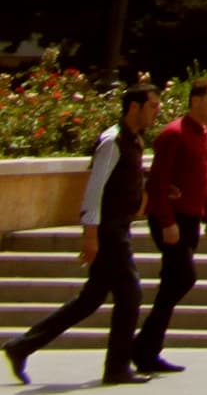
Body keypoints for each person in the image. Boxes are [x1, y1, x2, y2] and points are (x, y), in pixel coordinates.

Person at [7, 83, 155, 387]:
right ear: (134, 107)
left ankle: (21, 346)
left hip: (119, 225)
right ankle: (117, 367)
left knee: (90, 299)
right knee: (130, 293)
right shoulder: (111, 141)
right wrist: (90, 235)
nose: (157, 112)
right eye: (152, 106)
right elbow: (94, 190)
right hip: (109, 230)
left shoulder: (135, 140)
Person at [134, 79, 207, 377]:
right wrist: (167, 222)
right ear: (195, 100)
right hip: (170, 218)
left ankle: (147, 350)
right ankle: (143, 347)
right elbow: (158, 183)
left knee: (173, 282)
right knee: (183, 277)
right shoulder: (173, 134)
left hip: (191, 219)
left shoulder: (206, 133)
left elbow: (205, 179)